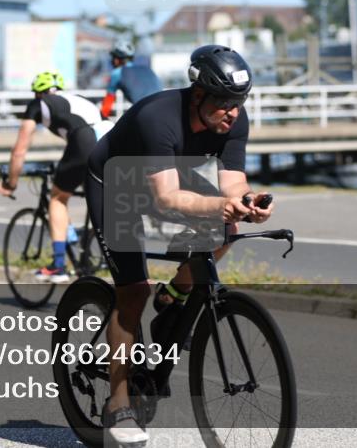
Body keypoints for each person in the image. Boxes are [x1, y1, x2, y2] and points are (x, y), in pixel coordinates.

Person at [85, 45, 274, 445]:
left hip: (168, 176)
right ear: (198, 94)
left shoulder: (233, 121)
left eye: (239, 103)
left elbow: (233, 181)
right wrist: (220, 205)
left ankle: (173, 295)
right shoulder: (159, 118)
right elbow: (166, 198)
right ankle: (118, 404)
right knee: (133, 291)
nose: (233, 112)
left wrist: (245, 202)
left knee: (229, 229)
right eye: (225, 103)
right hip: (115, 184)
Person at [0, 70, 103, 282]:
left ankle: (58, 265)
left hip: (84, 141)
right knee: (90, 193)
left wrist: (11, 182)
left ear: (39, 92)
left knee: (57, 197)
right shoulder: (80, 100)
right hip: (107, 139)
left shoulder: (39, 103)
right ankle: (75, 237)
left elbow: (19, 150)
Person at [99, 39, 163, 119]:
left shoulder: (117, 73)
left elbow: (107, 104)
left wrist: (101, 119)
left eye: (113, 57)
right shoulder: (147, 69)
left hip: (145, 114)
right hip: (163, 109)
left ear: (116, 59)